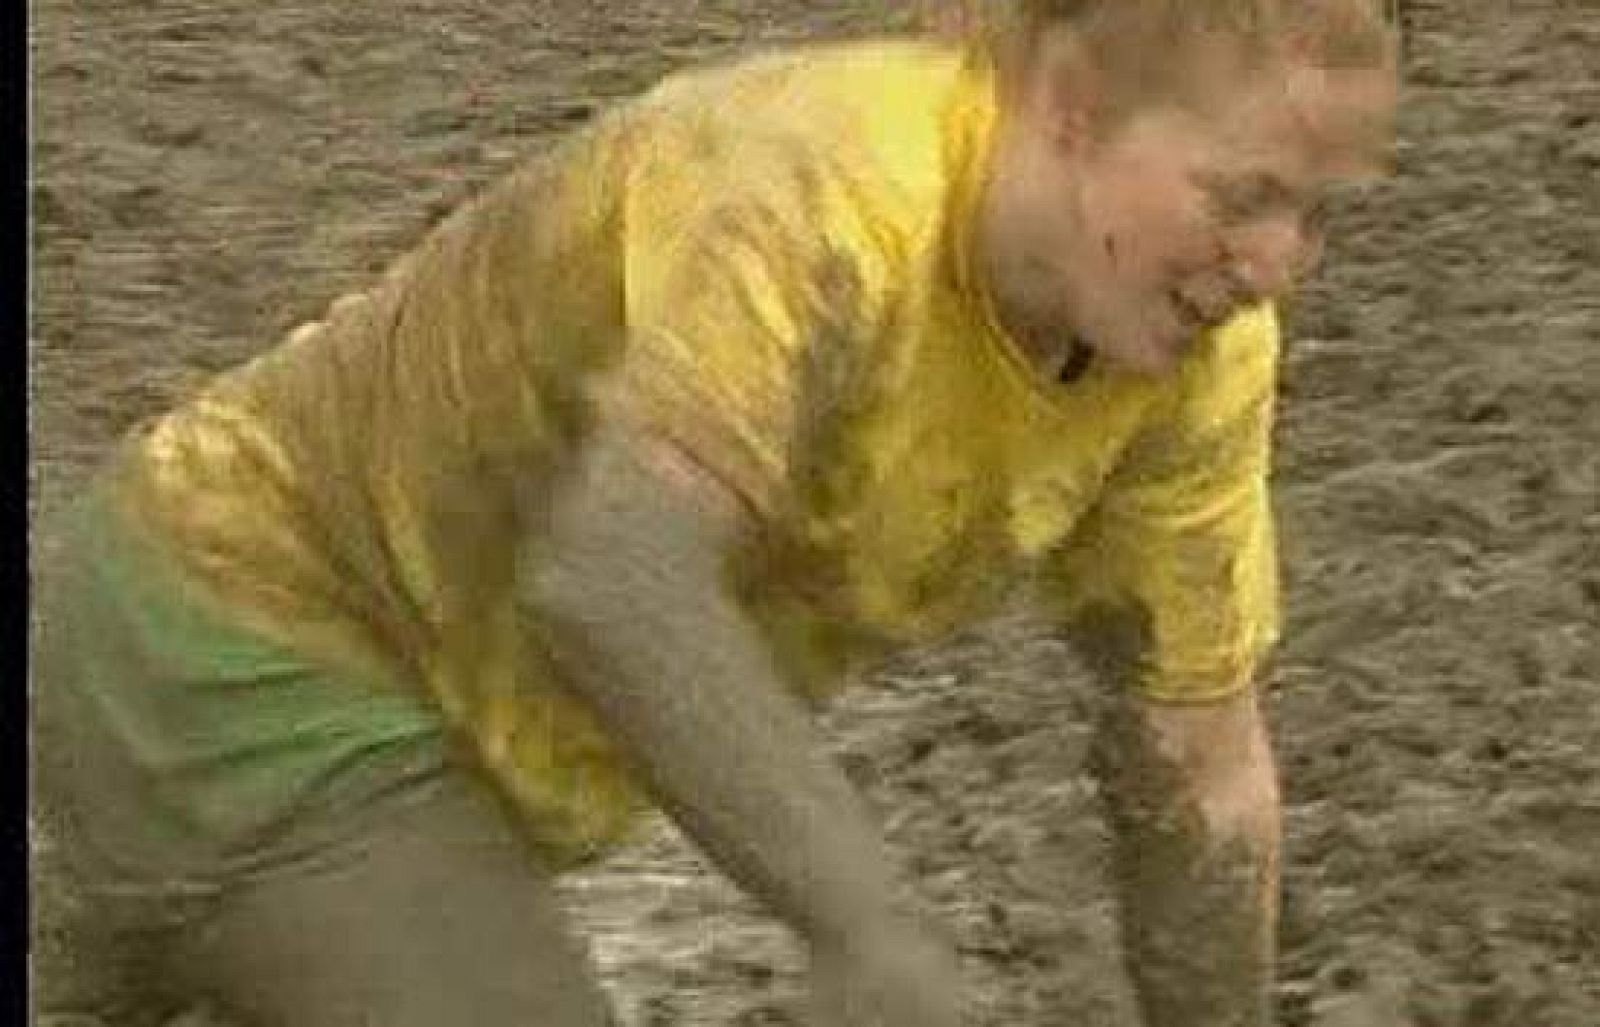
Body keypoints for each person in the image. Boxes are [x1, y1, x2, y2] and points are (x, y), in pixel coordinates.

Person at [31, 1, 1398, 1024]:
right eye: (1241, 195)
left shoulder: (1191, 362)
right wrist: (871, 928)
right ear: (1075, 105)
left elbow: (1197, 766)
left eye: (1317, 215)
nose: (1277, 265)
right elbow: (612, 574)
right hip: (247, 646)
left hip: (444, 755)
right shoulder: (830, 189)